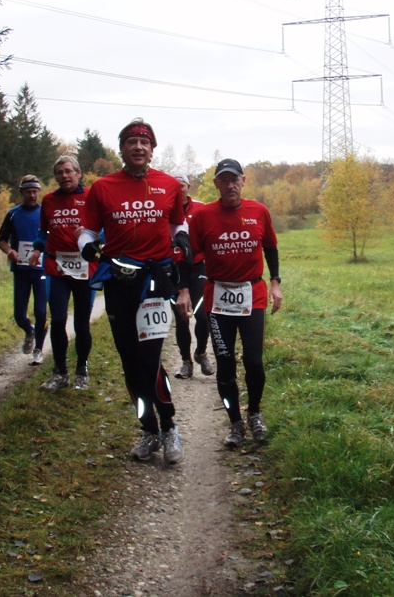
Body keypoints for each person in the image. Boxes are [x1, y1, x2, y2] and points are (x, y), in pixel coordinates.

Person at [77, 118, 190, 465]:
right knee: (130, 362)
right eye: (131, 142)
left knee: (150, 359)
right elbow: (87, 232)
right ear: (122, 148)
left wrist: (182, 239)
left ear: (152, 149)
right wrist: (90, 250)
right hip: (119, 281)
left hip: (155, 280)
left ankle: (170, 428)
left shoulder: (169, 185)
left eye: (144, 143)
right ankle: (148, 429)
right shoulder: (102, 187)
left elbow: (177, 223)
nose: (138, 147)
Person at [187, 159, 283, 447]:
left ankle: (254, 413)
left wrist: (275, 282)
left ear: (243, 181)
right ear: (216, 184)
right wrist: (184, 286)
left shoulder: (259, 211)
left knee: (254, 362)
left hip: (252, 295)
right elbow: (191, 256)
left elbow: (270, 247)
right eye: (223, 180)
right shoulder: (203, 217)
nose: (230, 185)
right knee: (226, 364)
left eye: (234, 179)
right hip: (218, 301)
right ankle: (235, 424)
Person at [28, 156, 96, 391]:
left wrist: (91, 234)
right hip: (57, 267)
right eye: (59, 172)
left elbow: (106, 228)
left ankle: (82, 369)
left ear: (79, 173)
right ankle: (60, 372)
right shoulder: (48, 200)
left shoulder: (91, 196)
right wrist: (37, 248)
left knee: (81, 323)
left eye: (68, 171)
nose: (64, 176)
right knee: (57, 320)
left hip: (85, 267)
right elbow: (43, 230)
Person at [0, 175, 49, 365]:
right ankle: (29, 331)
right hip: (21, 270)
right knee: (19, 314)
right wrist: (9, 251)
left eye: (35, 192)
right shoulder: (13, 214)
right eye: (28, 192)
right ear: (21, 193)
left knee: (41, 311)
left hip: (42, 270)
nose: (32, 195)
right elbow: (1, 240)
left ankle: (38, 350)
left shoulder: (45, 212)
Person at [171, 172, 213, 379]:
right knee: (181, 319)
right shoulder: (164, 208)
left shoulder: (201, 208)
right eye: (175, 185)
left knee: (202, 316)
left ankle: (201, 352)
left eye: (182, 185)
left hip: (197, 267)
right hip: (174, 269)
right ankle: (186, 362)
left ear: (189, 186)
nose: (179, 189)